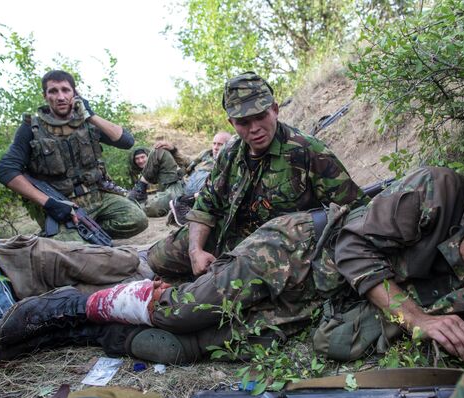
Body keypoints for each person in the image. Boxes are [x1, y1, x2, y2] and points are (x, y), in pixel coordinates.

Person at [0, 167, 464, 366]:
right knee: (185, 311)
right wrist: (416, 319)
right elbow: (353, 247)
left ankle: (89, 333)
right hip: (297, 249)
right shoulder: (440, 190)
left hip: (325, 297)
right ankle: (70, 304)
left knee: (196, 343)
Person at [147, 71, 363, 279]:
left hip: (277, 252)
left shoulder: (308, 152)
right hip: (228, 234)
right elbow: (205, 206)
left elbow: (356, 212)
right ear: (231, 123)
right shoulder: (229, 153)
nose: (255, 128)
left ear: (275, 110)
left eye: (261, 117)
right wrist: (195, 251)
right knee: (156, 259)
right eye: (243, 122)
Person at [0, 234, 151, 374]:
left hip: (7, 264)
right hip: (30, 309)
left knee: (126, 261)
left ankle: (157, 251)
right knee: (127, 292)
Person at [0, 70, 147, 242]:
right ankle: (63, 238)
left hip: (97, 196)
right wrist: (49, 204)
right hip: (62, 206)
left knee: (138, 220)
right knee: (78, 251)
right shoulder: (32, 128)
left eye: (65, 90)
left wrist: (90, 115)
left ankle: (81, 235)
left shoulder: (86, 122)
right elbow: (6, 170)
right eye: (53, 91)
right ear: (45, 96)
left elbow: (126, 141)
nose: (60, 97)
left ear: (75, 94)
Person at [127, 131, 232, 217]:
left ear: (228, 146)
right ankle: (140, 188)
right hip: (180, 184)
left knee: (153, 208)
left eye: (220, 144)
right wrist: (173, 150)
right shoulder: (206, 154)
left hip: (189, 196)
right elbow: (188, 163)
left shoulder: (231, 162)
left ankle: (132, 207)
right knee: (159, 151)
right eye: (214, 143)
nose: (215, 147)